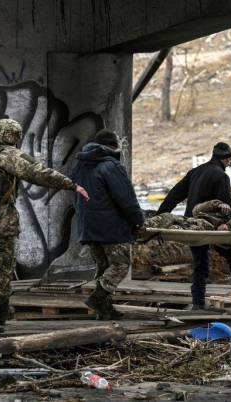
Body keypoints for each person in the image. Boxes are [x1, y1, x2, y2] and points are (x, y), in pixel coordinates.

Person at [0, 118, 89, 332]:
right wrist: (70, 184)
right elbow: (36, 171)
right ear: (13, 136)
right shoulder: (7, 154)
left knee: (5, 263)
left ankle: (3, 311)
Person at [156, 142, 231, 309]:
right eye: (229, 161)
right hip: (211, 226)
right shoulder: (221, 176)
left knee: (200, 264)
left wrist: (160, 217)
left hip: (191, 226)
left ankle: (198, 304)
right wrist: (228, 225)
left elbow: (174, 195)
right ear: (227, 159)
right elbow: (225, 205)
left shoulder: (195, 172)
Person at [72, 130, 145, 320]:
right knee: (121, 263)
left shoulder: (80, 165)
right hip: (111, 227)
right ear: (114, 146)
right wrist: (138, 221)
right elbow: (126, 199)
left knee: (103, 266)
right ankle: (98, 298)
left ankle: (105, 310)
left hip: (88, 226)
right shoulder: (111, 166)